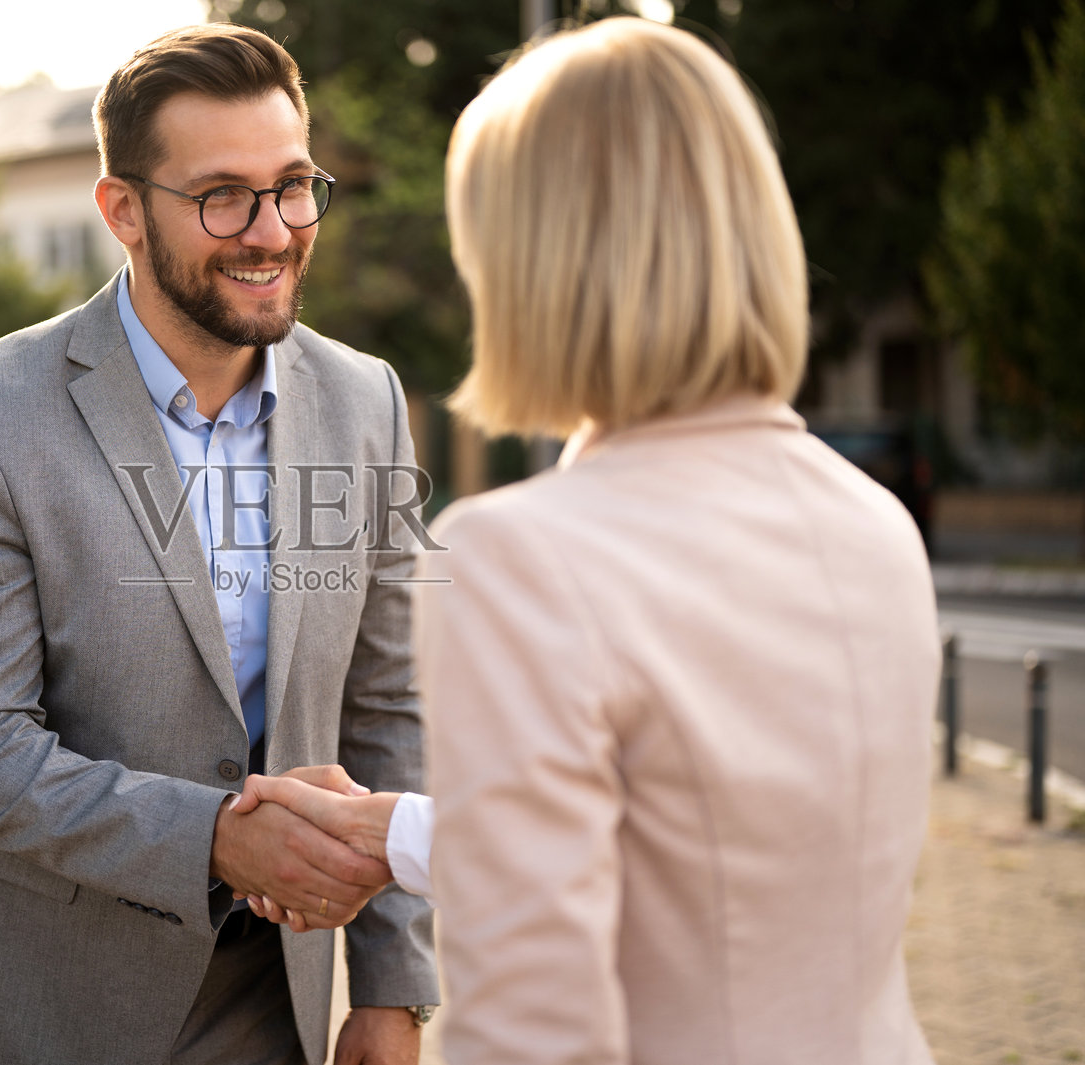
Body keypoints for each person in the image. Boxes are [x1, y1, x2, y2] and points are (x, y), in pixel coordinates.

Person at [234, 16, 941, 1065]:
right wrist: (402, 832)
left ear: (532, 261)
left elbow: (538, 1028)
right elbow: (710, 850)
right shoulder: (872, 519)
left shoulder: (524, 559)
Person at [0, 24, 437, 1065]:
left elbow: (386, 703)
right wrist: (215, 838)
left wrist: (394, 987)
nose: (271, 231)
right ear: (122, 210)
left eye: (292, 186)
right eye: (222, 195)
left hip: (272, 1005)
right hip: (29, 1010)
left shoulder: (368, 402)